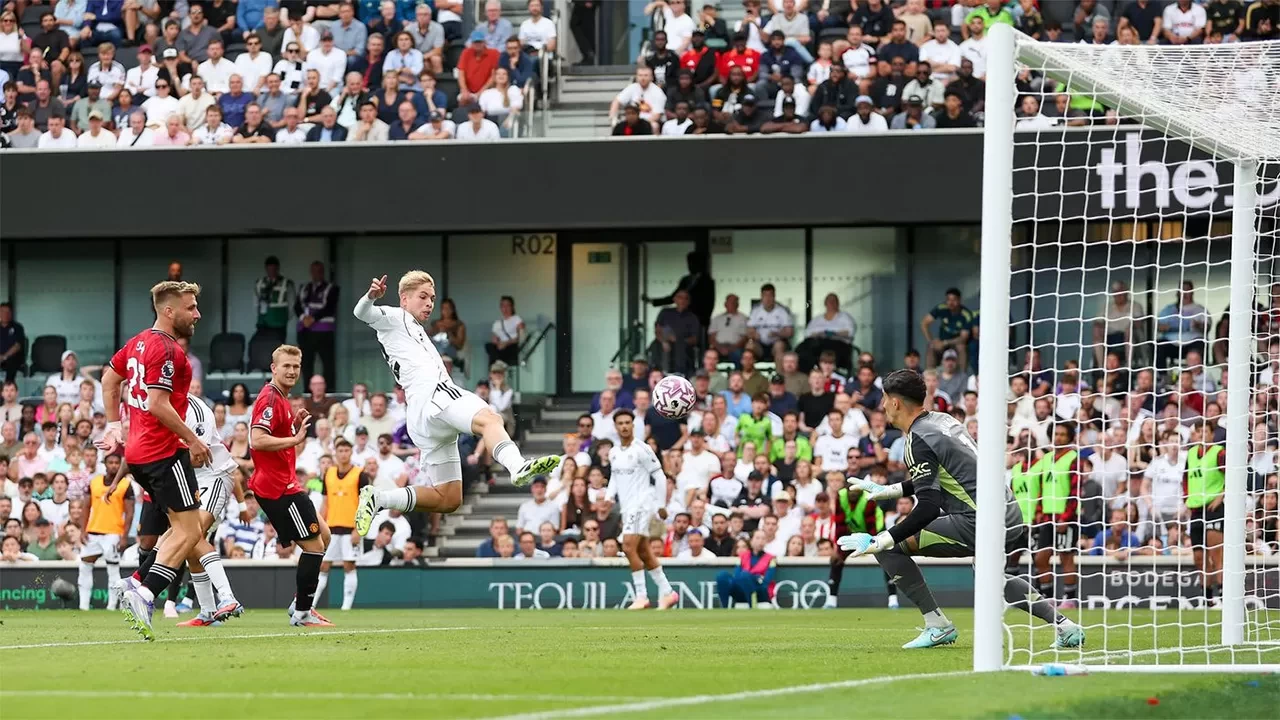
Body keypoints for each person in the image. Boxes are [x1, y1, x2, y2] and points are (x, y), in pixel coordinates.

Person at [843, 370, 1083, 649]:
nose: (882, 406)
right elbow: (952, 472)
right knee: (993, 580)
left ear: (895, 403)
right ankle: (1066, 627)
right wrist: (890, 490)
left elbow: (930, 507)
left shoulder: (916, 440)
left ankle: (937, 625)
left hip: (978, 520)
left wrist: (881, 538)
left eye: (884, 400)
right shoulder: (943, 421)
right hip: (1009, 512)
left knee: (889, 548)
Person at [351, 273, 561, 538]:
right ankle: (517, 466)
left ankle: (380, 499)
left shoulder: (415, 328)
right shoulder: (395, 317)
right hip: (435, 397)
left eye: (432, 298)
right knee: (491, 418)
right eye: (423, 297)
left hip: (421, 417)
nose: (429, 304)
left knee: (448, 499)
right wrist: (371, 296)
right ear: (404, 299)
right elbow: (361, 313)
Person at [97, 281, 216, 641]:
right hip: (163, 452)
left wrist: (115, 425)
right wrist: (193, 439)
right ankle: (144, 592)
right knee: (192, 530)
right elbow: (157, 403)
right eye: (191, 307)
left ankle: (138, 585)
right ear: (169, 311)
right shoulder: (166, 350)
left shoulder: (136, 342)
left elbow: (108, 378)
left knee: (181, 529)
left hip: (138, 453)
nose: (197, 314)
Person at [248, 345, 334, 627]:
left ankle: (300, 604)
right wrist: (295, 439)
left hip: (287, 484)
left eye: (296, 366)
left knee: (324, 535)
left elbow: (277, 442)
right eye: (286, 366)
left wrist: (291, 428)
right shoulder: (271, 399)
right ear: (274, 368)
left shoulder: (282, 399)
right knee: (314, 547)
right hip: (278, 489)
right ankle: (302, 612)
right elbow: (257, 440)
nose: (292, 371)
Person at [163, 393, 245, 626]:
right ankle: (207, 612)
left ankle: (228, 598)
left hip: (213, 475)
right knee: (190, 545)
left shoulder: (196, 410)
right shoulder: (158, 407)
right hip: (190, 480)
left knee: (194, 533)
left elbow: (198, 457)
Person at [607, 408, 679, 609]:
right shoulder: (613, 453)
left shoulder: (642, 449)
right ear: (615, 427)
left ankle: (642, 596)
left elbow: (660, 475)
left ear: (633, 425)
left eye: (627, 423)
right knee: (644, 551)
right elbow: (615, 477)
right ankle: (668, 593)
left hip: (642, 504)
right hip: (627, 507)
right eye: (620, 423)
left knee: (628, 546)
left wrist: (660, 505)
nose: (624, 426)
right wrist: (608, 496)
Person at [314, 438, 368, 611]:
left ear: (351, 452)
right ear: (335, 453)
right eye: (340, 451)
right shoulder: (328, 474)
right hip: (331, 527)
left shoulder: (360, 474)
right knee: (323, 565)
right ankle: (311, 604)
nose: (343, 454)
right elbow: (325, 502)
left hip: (351, 528)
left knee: (349, 565)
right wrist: (320, 527)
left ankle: (346, 607)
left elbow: (365, 503)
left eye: (346, 450)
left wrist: (359, 529)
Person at [78, 452, 133, 611]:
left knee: (113, 569)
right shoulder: (94, 482)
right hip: (93, 531)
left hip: (113, 533)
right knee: (85, 566)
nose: (114, 465)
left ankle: (111, 606)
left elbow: (129, 512)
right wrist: (83, 530)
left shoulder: (124, 484)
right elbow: (86, 507)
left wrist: (124, 536)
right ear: (105, 464)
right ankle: (83, 606)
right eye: (111, 462)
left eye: (117, 462)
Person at [1185, 421, 1226, 601]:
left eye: (1205, 431)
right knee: (1199, 556)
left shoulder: (1220, 453)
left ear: (1212, 434)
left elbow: (1234, 475)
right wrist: (1187, 500)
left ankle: (1224, 598)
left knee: (1216, 553)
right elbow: (1186, 480)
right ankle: (1207, 599)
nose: (1202, 434)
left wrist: (1221, 496)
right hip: (1196, 510)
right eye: (1199, 431)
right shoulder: (1191, 453)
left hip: (1213, 508)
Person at [715, 529, 775, 608]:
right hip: (742, 588)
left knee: (745, 575)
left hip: (760, 591)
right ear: (751, 541)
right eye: (757, 538)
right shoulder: (742, 556)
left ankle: (752, 606)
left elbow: (766, 581)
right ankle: (724, 608)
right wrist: (756, 577)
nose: (760, 541)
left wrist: (753, 578)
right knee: (722, 576)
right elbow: (737, 576)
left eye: (763, 538)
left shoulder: (771, 558)